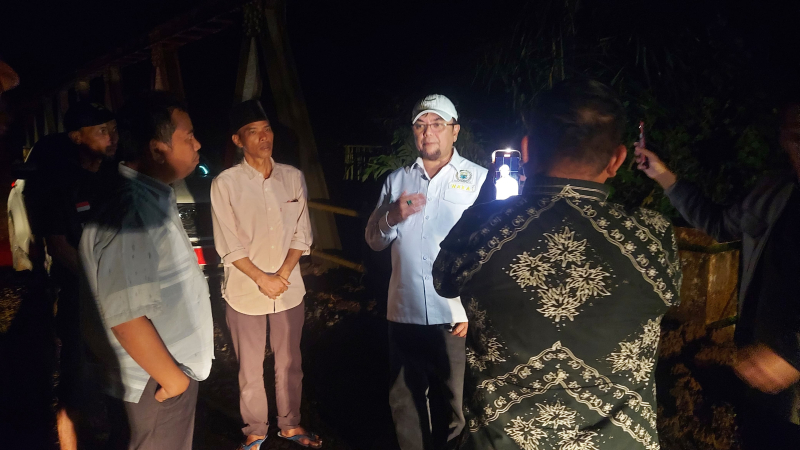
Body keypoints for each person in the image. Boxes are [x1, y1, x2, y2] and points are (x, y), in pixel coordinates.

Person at [433, 79, 682, 450]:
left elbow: (444, 281)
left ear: (526, 149)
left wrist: (490, 207)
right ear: (617, 159)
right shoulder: (655, 236)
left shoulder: (481, 227)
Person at [635, 98, 800, 449]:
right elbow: (720, 224)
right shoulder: (776, 193)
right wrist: (662, 174)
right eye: (793, 128)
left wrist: (793, 355)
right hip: (758, 367)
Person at [79, 91, 214, 450]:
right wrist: (173, 381)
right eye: (188, 137)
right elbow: (125, 317)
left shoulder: (150, 198)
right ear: (157, 149)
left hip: (162, 372)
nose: (198, 144)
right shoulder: (133, 212)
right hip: (155, 381)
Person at [365, 94, 489, 449]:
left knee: (457, 404)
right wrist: (393, 215)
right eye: (421, 125)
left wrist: (474, 308)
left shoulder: (479, 179)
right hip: (403, 309)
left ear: (455, 131)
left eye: (437, 124)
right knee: (404, 399)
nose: (428, 132)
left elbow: (490, 250)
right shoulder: (397, 181)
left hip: (454, 315)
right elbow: (374, 240)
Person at [210, 99, 320, 450]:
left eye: (267, 129)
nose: (263, 137)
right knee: (250, 368)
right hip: (245, 291)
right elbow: (228, 244)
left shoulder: (292, 177)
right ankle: (255, 430)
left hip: (288, 288)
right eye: (253, 131)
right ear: (238, 140)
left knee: (290, 362)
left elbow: (303, 233)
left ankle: (290, 424)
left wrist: (283, 274)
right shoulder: (225, 183)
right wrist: (262, 278)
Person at [23, 101, 117, 450]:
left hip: (118, 293)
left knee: (115, 371)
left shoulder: (114, 178)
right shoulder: (60, 184)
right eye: (102, 131)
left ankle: (112, 432)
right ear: (77, 137)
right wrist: (97, 283)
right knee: (77, 376)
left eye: (113, 130)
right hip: (81, 294)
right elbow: (59, 245)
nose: (111, 138)